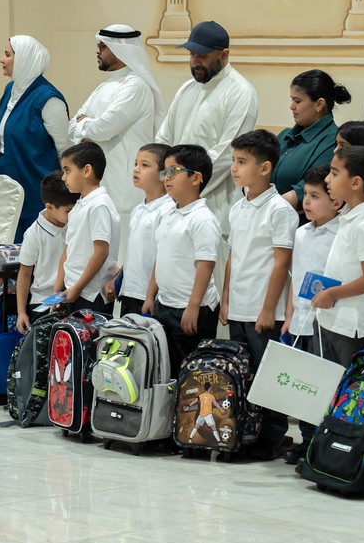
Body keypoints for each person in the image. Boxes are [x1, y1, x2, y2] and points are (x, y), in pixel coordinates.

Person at [221, 130, 299, 460]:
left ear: (265, 168)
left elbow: (282, 262)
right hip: (238, 304)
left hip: (264, 309)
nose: (235, 168)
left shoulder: (280, 210)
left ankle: (271, 439)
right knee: (243, 373)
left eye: (242, 162)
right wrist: (225, 298)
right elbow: (233, 256)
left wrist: (269, 309)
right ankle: (245, 432)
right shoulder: (238, 207)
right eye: (234, 161)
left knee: (268, 375)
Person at [157, 20, 258, 233]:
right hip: (175, 201)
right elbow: (164, 140)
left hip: (214, 205)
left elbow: (225, 154)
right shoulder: (186, 89)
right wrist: (169, 186)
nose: (194, 62)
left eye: (202, 56)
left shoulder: (240, 92)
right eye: (192, 54)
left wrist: (186, 192)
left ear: (224, 55)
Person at [69, 25, 166, 231]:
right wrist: (89, 127)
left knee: (121, 253)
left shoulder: (136, 86)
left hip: (124, 188)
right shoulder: (104, 87)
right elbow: (71, 127)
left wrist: (85, 125)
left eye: (102, 46)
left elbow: (103, 129)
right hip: (101, 184)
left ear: (121, 50)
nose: (97, 51)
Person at [281, 165, 341, 464]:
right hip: (300, 320)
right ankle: (306, 439)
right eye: (306, 194)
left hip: (324, 322)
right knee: (302, 384)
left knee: (322, 383)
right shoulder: (302, 232)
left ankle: (322, 440)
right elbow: (296, 277)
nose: (306, 201)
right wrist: (289, 315)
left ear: (336, 202)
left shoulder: (340, 234)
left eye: (315, 196)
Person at [142, 144, 221, 369]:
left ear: (196, 178)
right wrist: (150, 295)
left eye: (173, 171)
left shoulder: (202, 218)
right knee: (167, 368)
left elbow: (206, 264)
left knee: (190, 373)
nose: (166, 178)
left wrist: (193, 306)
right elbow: (162, 257)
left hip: (192, 309)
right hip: (165, 304)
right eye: (164, 172)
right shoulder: (169, 213)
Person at [310, 145, 364, 364]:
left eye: (334, 173)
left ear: (355, 182)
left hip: (350, 325)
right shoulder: (350, 215)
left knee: (348, 391)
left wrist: (332, 293)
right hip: (331, 318)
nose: (327, 179)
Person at [0, 35, 69, 242]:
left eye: (7, 55)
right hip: (7, 186)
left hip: (35, 187)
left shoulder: (48, 99)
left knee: (32, 252)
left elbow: (64, 149)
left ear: (25, 59)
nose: (1, 59)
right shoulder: (10, 90)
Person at [54, 142, 119, 314]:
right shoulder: (80, 205)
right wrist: (57, 291)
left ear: (87, 170)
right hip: (72, 290)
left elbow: (101, 252)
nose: (63, 177)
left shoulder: (99, 205)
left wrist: (78, 287)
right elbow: (67, 251)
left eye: (68, 170)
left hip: (90, 295)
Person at [274, 70, 350, 214]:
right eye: (292, 100)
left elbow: (316, 186)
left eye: (297, 101)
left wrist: (271, 208)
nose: (291, 106)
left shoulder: (335, 141)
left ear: (319, 104)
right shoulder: (285, 135)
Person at [15, 171, 78, 331]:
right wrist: (21, 312)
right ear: (49, 207)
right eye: (69, 211)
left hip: (71, 296)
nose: (74, 215)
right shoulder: (34, 234)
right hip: (43, 301)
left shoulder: (74, 225)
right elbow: (24, 274)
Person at [116, 144, 173, 318]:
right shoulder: (138, 209)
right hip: (130, 291)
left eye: (145, 165)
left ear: (164, 174)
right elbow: (135, 252)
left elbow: (162, 257)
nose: (136, 169)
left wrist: (150, 294)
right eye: (135, 164)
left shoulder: (168, 210)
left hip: (149, 296)